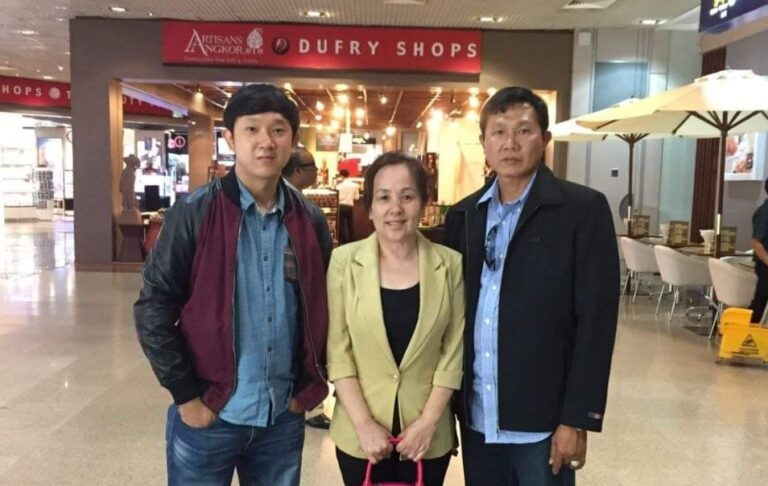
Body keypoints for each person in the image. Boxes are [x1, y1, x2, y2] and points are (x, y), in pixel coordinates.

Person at [134, 83, 333, 486]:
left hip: (281, 416)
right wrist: (186, 395)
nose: (266, 141)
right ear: (230, 138)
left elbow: (325, 305)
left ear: (293, 139)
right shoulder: (194, 214)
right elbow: (154, 305)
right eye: (252, 129)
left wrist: (309, 388)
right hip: (210, 413)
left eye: (278, 130)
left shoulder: (308, 220)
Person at [443, 87, 620, 486]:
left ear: (545, 139)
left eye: (523, 130)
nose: (510, 143)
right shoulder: (464, 215)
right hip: (478, 417)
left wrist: (577, 418)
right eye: (498, 132)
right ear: (484, 142)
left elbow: (596, 322)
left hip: (543, 422)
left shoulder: (581, 211)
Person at [326, 152, 465, 486]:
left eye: (407, 196)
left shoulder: (450, 264)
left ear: (424, 203)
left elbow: (453, 352)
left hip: (427, 436)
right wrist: (363, 423)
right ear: (369, 208)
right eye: (384, 197)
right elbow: (338, 351)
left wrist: (428, 423)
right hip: (360, 434)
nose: (395, 209)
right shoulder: (344, 262)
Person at [749, 178, 768, 322]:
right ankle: (748, 328)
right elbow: (756, 242)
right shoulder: (764, 212)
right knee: (760, 300)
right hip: (765, 265)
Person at [337, 169, 360, 243]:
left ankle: (343, 241)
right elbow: (357, 197)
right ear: (349, 175)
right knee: (350, 224)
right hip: (349, 206)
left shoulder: (339, 186)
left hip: (341, 206)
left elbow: (338, 198)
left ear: (341, 176)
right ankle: (352, 240)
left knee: (341, 225)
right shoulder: (355, 185)